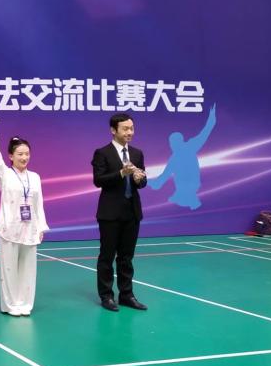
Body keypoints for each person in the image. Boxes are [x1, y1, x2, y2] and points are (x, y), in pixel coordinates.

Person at [0, 113, 48, 316]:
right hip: (9, 229)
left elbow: (38, 204)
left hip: (30, 228)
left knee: (28, 270)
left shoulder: (35, 177)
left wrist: (41, 227)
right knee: (9, 270)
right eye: (20, 154)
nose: (24, 157)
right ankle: (11, 305)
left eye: (27, 153)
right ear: (11, 156)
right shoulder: (4, 174)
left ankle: (25, 304)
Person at [92, 113, 148, 312]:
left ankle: (127, 295)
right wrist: (121, 173)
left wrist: (140, 179)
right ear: (113, 130)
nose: (129, 132)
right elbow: (98, 180)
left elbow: (142, 181)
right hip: (110, 213)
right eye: (125, 129)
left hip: (132, 212)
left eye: (131, 128)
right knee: (107, 257)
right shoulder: (102, 153)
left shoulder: (137, 153)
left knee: (126, 257)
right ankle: (106, 296)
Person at [148, 104, 217, 209]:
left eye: (173, 143)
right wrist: (146, 181)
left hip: (190, 186)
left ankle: (190, 200)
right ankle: (187, 199)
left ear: (179, 141)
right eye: (171, 143)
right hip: (183, 188)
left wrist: (211, 121)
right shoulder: (174, 158)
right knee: (181, 200)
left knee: (189, 201)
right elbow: (163, 177)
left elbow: (204, 134)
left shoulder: (190, 146)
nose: (172, 145)